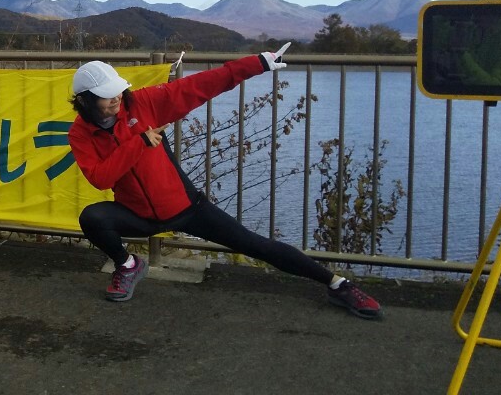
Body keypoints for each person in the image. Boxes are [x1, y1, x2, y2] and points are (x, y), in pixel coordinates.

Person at [66, 44, 382, 320]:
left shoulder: (143, 103)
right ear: (85, 101)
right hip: (139, 215)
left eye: (118, 91)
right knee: (92, 218)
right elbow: (100, 177)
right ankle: (128, 265)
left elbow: (203, 84)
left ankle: (337, 284)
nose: (117, 99)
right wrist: (138, 144)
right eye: (107, 97)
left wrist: (257, 63)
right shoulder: (80, 133)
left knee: (255, 244)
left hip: (186, 207)